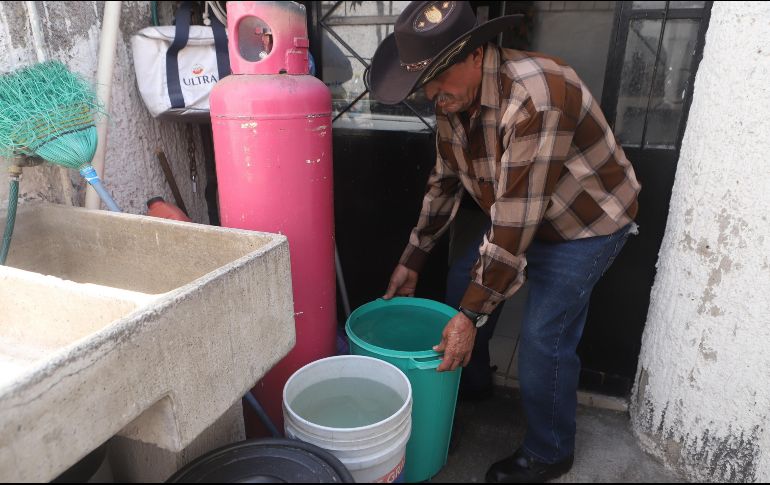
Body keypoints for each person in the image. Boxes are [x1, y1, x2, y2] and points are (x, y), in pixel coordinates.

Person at [368, 1, 641, 483]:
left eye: (437, 78)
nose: (431, 94)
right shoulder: (454, 99)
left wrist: (473, 317)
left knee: (543, 339)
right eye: (422, 84)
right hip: (525, 213)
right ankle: (470, 387)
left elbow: (515, 225)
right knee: (459, 286)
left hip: (586, 223)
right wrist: (414, 256)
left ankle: (550, 451)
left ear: (475, 55)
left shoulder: (538, 95)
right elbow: (444, 183)